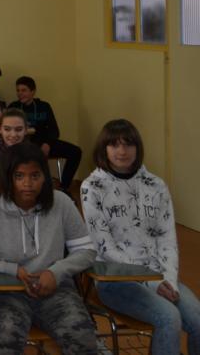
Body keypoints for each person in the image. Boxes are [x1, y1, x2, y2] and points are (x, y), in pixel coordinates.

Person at [0, 142, 98, 355]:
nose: (27, 184)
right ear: (7, 178)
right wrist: (11, 269)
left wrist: (56, 272)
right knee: (7, 335)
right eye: (19, 176)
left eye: (35, 176)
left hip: (54, 288)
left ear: (45, 177)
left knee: (82, 336)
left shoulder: (62, 202)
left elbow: (86, 251)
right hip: (2, 291)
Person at [81, 119, 200, 355]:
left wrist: (169, 280)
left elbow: (167, 238)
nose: (122, 151)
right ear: (104, 149)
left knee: (197, 320)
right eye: (114, 145)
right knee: (169, 318)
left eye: (128, 144)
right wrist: (153, 283)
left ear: (138, 147)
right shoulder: (92, 187)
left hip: (160, 275)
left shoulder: (156, 185)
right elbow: (105, 248)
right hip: (116, 281)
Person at [8, 76, 81, 191]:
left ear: (33, 91)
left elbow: (54, 130)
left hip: (45, 143)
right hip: (25, 145)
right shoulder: (13, 107)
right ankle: (41, 187)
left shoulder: (44, 106)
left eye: (24, 90)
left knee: (76, 152)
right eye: (18, 90)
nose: (20, 93)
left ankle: (64, 188)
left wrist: (47, 143)